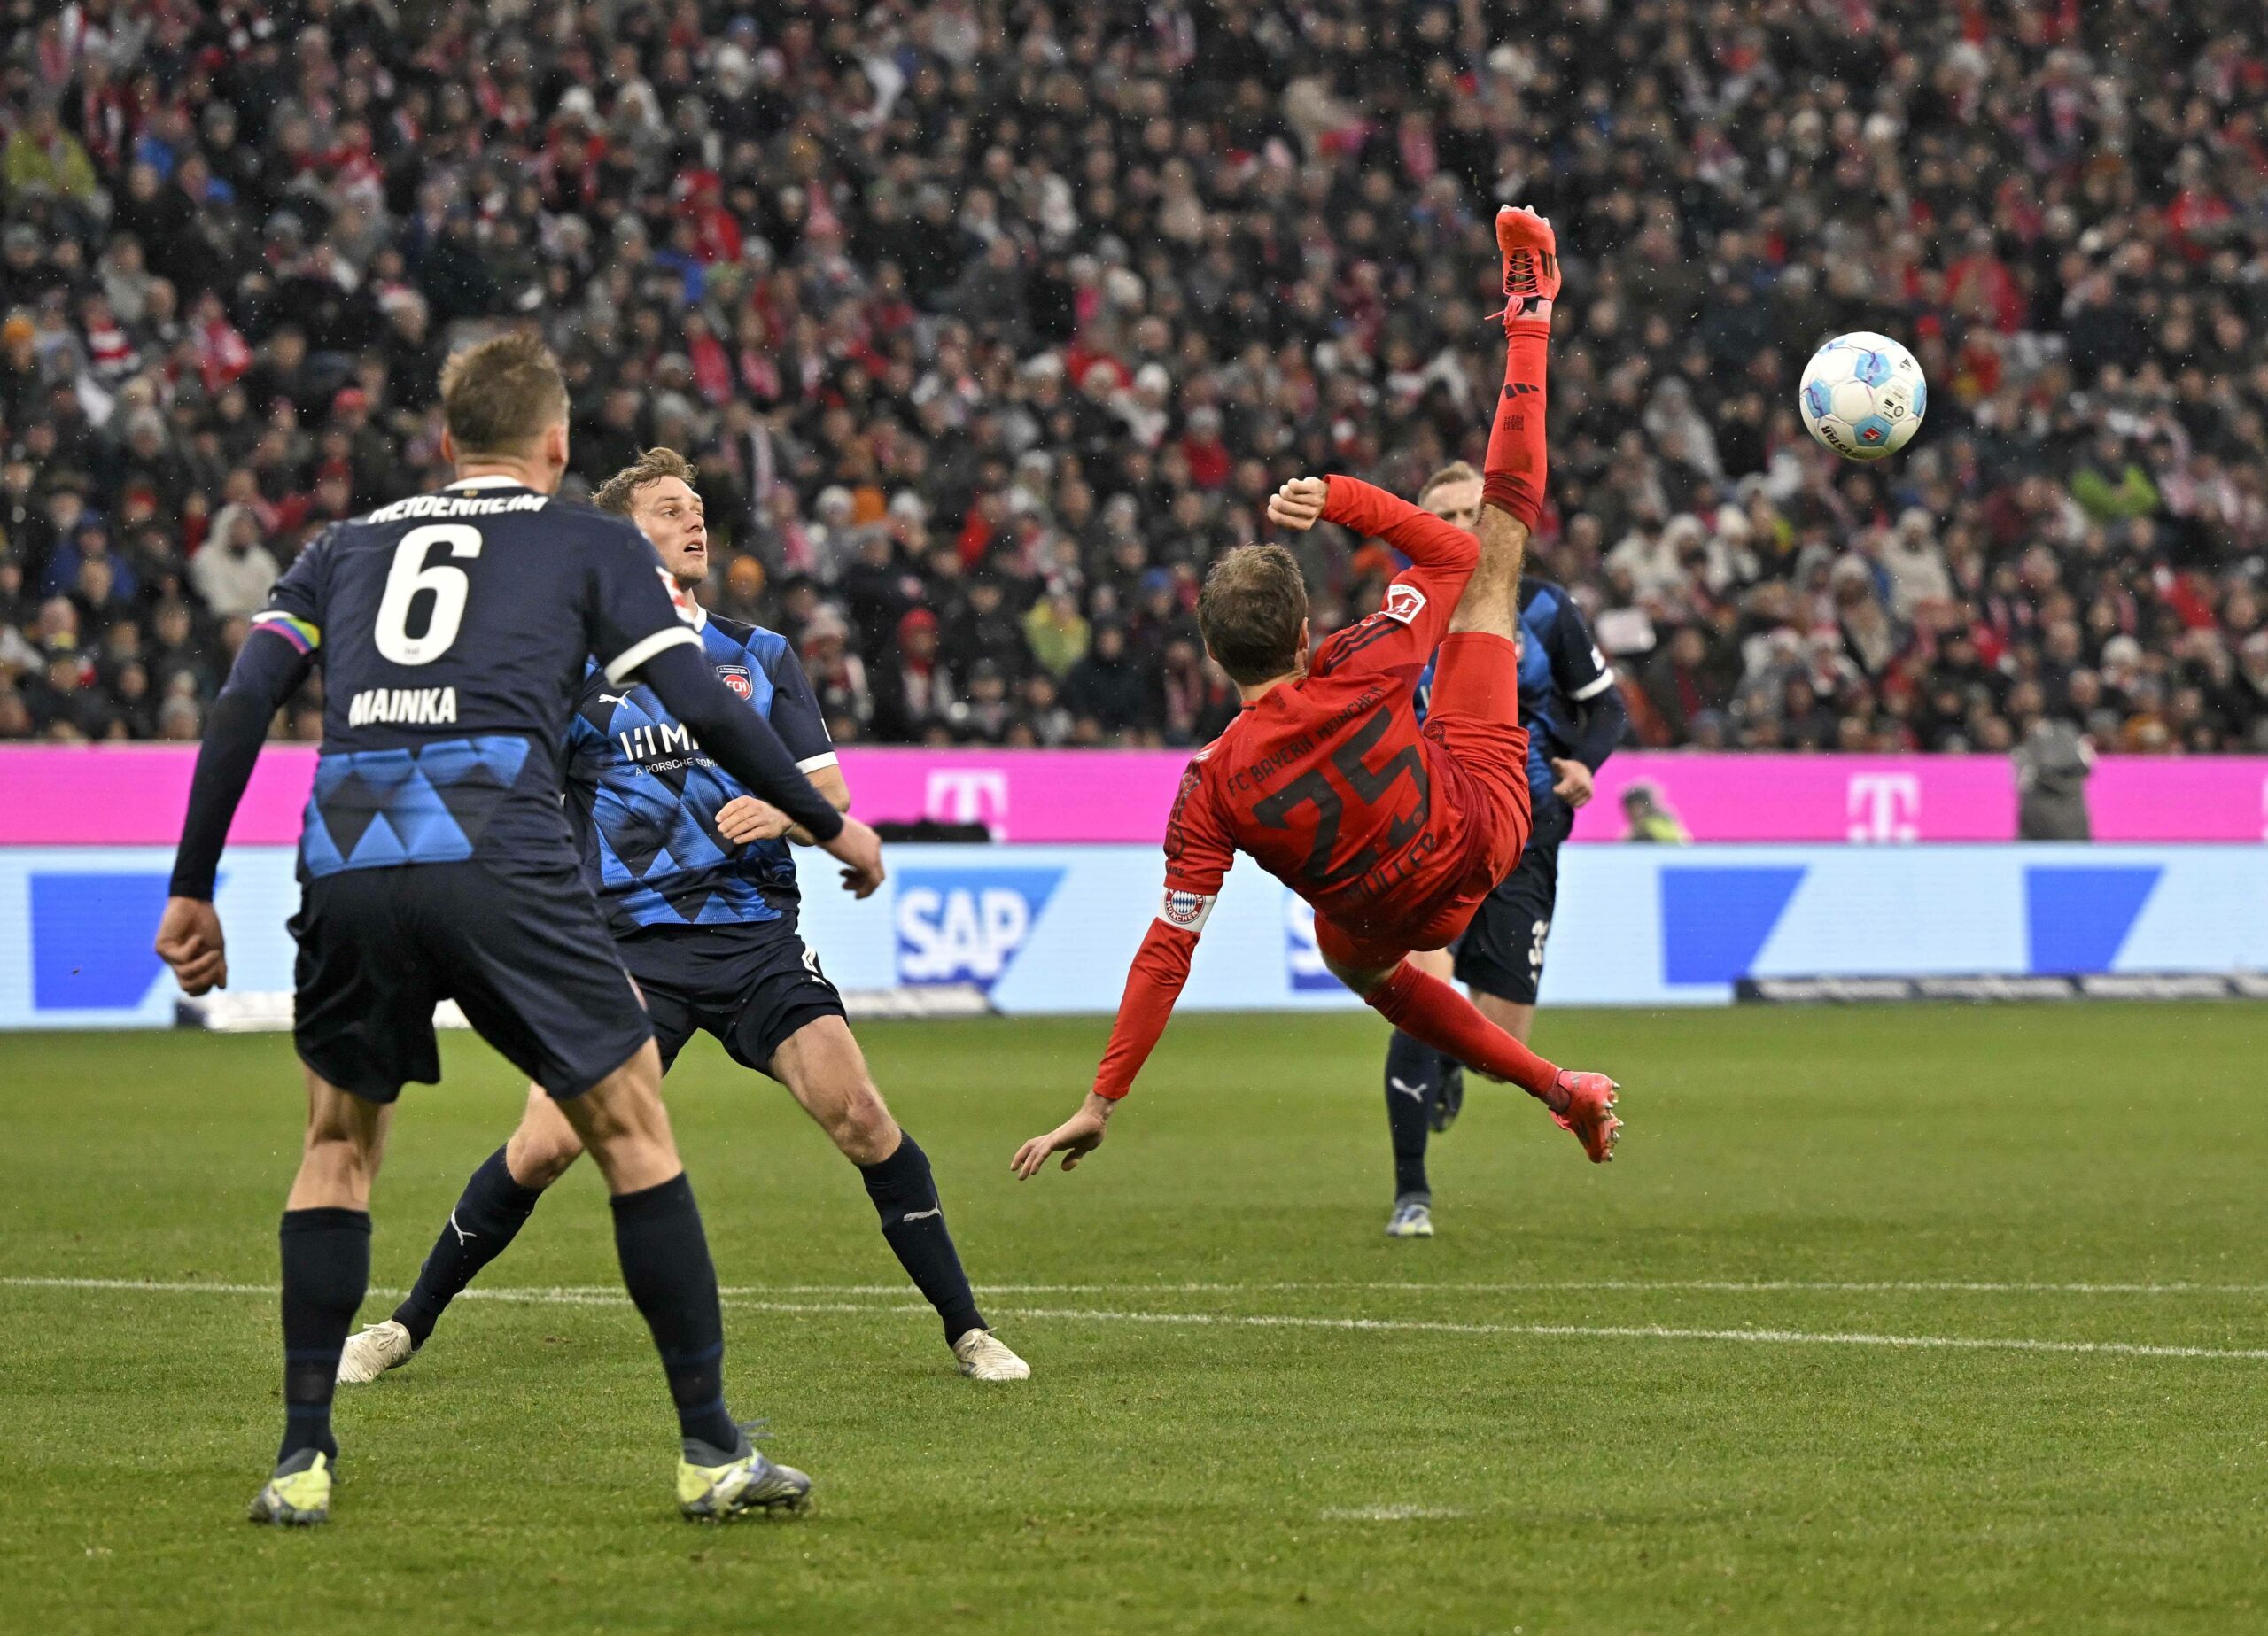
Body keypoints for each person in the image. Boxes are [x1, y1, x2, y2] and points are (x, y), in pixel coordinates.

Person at [152, 333, 887, 1527]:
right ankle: (708, 1446)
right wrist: (829, 821)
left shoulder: (341, 545)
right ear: (556, 447)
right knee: (631, 1124)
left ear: (446, 445)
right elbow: (698, 701)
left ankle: (299, 1458)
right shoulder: (585, 538)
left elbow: (245, 701)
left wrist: (193, 884)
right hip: (499, 833)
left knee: (337, 1144)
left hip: (348, 840)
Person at [335, 448, 1028, 1389]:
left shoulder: (760, 655)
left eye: (698, 508)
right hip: (627, 952)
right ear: (629, 537)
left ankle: (968, 1329)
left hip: (753, 940)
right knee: (543, 1146)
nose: (694, 522)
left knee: (863, 1117)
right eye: (670, 510)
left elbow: (828, 788)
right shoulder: (574, 669)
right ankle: (401, 1325)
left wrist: (785, 812)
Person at [1011, 211, 1619, 1188]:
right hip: (1486, 822)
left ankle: (1555, 1085)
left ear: (1213, 657)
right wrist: (1336, 493)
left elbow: (1168, 949)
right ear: (1301, 634)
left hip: (1393, 921)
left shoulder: (1208, 784)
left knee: (1348, 953)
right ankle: (1528, 318)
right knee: (1497, 556)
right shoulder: (1360, 659)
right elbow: (1451, 551)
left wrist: (1101, 1097)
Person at [1379, 459, 1628, 1239]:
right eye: (1442, 516)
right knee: (1423, 994)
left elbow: (1607, 709)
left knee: (1499, 1044)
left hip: (1529, 829)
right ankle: (1411, 1192)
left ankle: (1454, 1060)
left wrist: (1587, 762)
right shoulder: (1404, 616)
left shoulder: (1547, 611)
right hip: (1435, 828)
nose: (1459, 528)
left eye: (1470, 513)